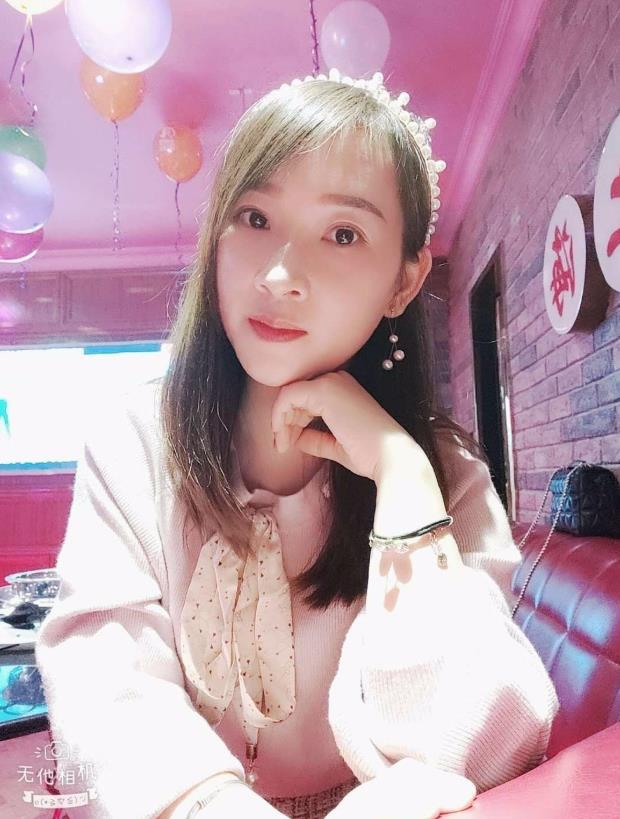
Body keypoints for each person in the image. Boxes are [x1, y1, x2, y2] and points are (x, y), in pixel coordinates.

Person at [35, 69, 560, 819]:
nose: (280, 275)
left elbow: (490, 743)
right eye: (254, 217)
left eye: (343, 233)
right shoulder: (136, 441)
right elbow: (103, 688)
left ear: (404, 281)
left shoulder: (447, 475)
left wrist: (401, 473)